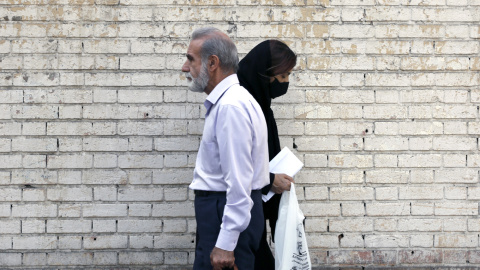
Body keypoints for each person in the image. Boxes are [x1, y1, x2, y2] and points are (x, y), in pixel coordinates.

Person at [182, 27, 270, 270]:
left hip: (223, 215)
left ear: (212, 63)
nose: (184, 67)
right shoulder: (231, 101)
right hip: (223, 214)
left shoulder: (231, 107)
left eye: (190, 59)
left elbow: (239, 183)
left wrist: (225, 244)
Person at [237, 40, 297, 269]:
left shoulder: (262, 106)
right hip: (241, 215)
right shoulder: (242, 106)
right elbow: (238, 164)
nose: (286, 83)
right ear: (265, 75)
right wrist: (270, 181)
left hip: (255, 211)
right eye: (283, 76)